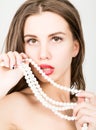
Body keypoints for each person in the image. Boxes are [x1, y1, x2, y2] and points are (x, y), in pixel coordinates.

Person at [0, 0, 96, 129]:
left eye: (56, 39)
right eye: (32, 41)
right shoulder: (12, 107)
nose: (43, 54)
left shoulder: (88, 110)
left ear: (75, 47)